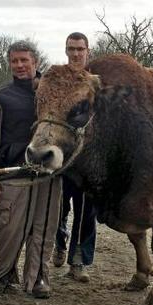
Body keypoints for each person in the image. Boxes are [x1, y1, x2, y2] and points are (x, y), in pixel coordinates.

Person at [0, 40, 62, 298]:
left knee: (43, 229)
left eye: (24, 60)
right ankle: (2, 276)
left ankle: (38, 278)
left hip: (48, 174)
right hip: (13, 173)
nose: (19, 65)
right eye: (14, 61)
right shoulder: (1, 97)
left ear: (36, 62)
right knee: (8, 228)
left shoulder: (54, 94)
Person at [52, 32, 98, 282]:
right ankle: (59, 242)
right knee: (58, 207)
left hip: (89, 159)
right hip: (62, 156)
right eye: (72, 48)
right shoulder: (57, 79)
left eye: (81, 49)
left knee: (85, 212)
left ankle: (78, 262)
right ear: (66, 50)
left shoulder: (96, 81)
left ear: (87, 50)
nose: (76, 53)